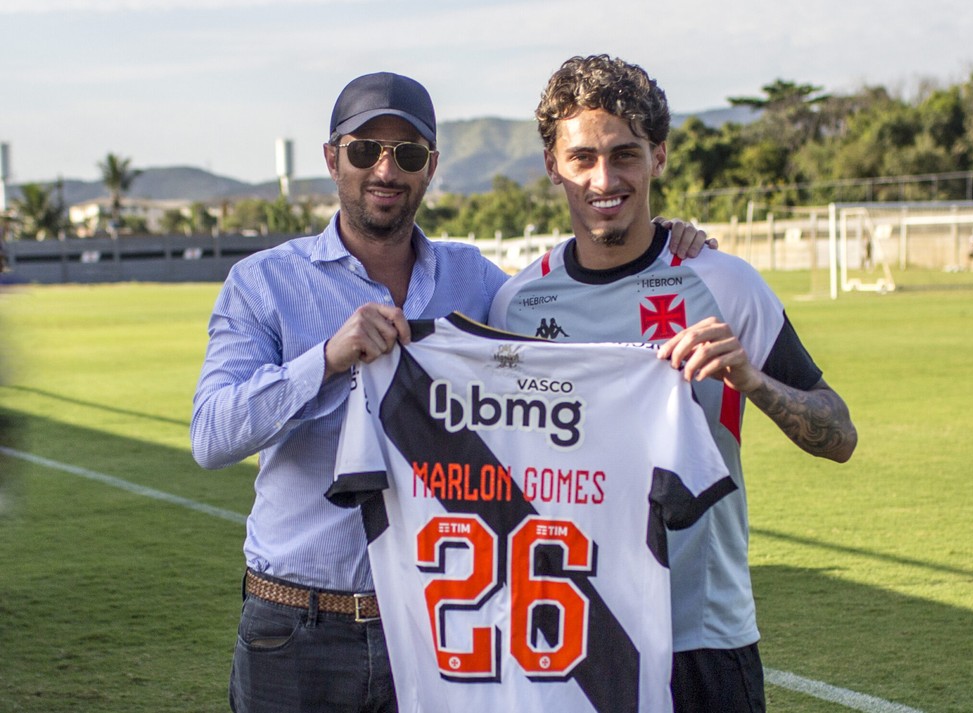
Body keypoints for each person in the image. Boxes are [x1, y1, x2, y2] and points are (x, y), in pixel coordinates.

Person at [190, 70, 711, 713]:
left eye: (407, 154)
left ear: (430, 167)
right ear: (332, 159)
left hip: (443, 626)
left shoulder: (478, 282)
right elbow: (212, 435)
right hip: (300, 626)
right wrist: (326, 359)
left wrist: (663, 242)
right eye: (364, 150)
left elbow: (568, 339)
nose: (386, 169)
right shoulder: (262, 283)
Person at [488, 55, 858, 713]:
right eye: (583, 158)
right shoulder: (516, 305)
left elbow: (839, 434)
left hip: (704, 637)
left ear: (658, 156)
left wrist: (751, 379)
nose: (605, 179)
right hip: (572, 631)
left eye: (625, 155)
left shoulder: (724, 283)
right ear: (552, 164)